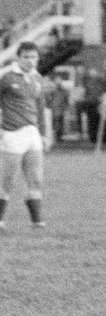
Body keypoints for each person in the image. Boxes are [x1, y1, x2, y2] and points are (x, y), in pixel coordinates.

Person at [0, 42, 51, 228]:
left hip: (32, 134)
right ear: (18, 58)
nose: (30, 61)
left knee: (36, 179)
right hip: (12, 133)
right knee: (8, 180)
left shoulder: (37, 78)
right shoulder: (6, 76)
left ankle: (37, 222)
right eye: (26, 57)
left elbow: (40, 108)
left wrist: (44, 134)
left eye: (33, 57)